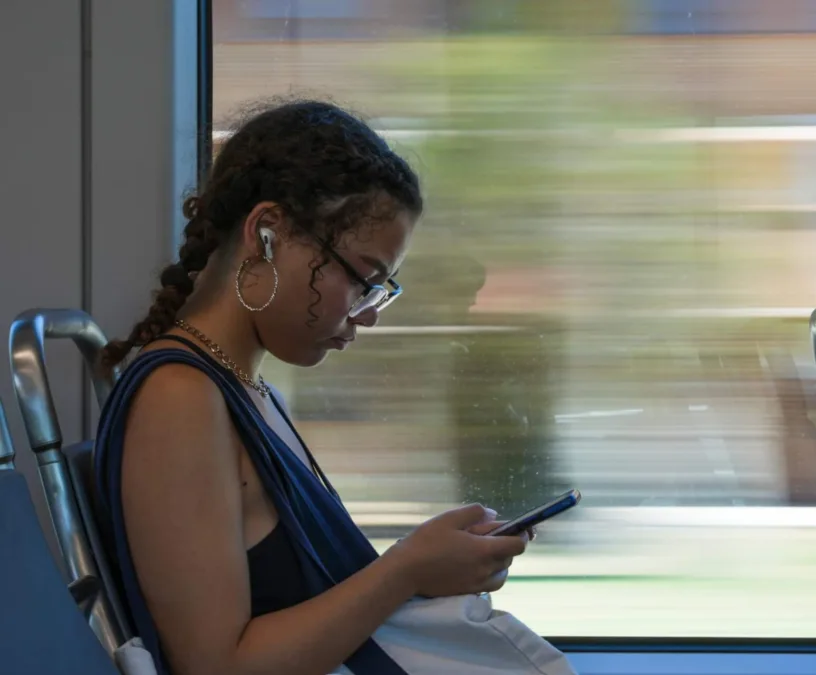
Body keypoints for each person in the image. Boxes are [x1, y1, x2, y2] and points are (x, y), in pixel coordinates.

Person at [93, 100, 533, 675]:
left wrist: (425, 565)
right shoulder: (179, 398)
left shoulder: (246, 391)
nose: (369, 313)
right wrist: (405, 570)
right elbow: (216, 665)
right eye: (362, 279)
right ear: (267, 234)